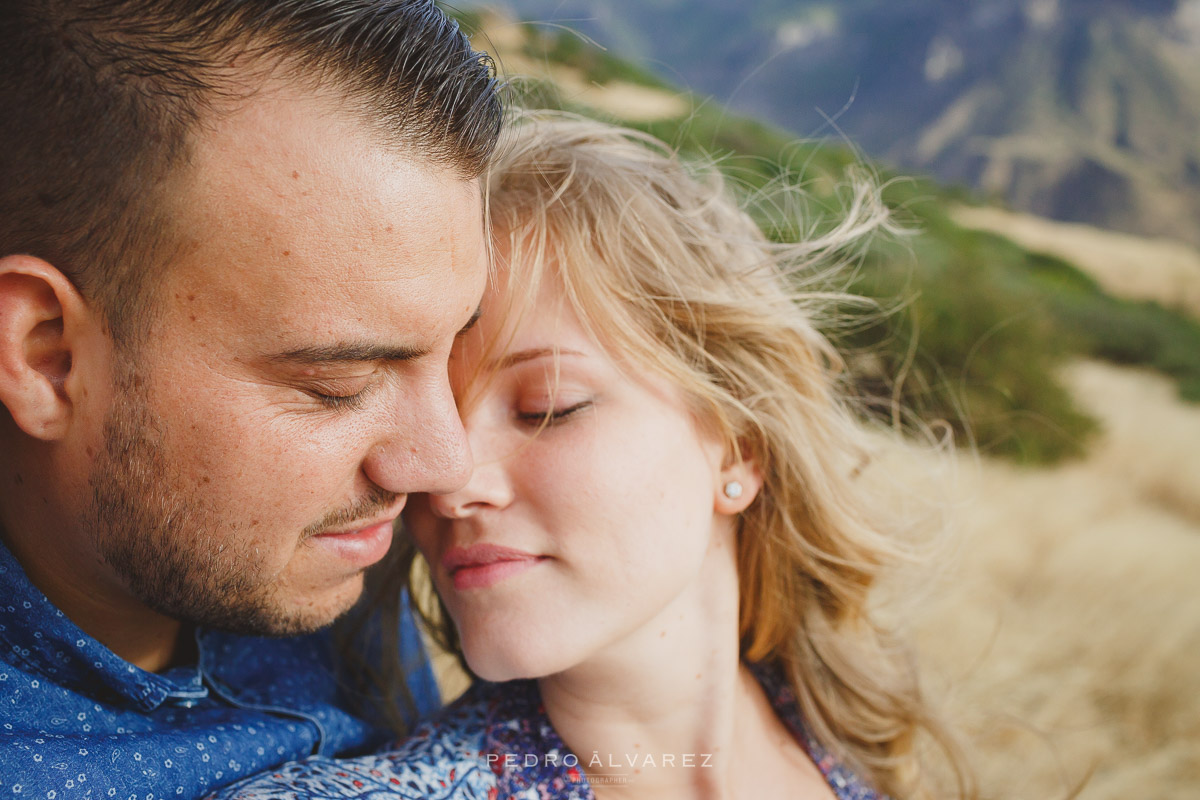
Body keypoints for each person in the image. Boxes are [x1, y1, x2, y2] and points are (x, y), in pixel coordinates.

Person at [213, 114, 974, 799]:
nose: (448, 482)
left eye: (548, 407)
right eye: (429, 422)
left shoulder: (855, 748)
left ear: (738, 445)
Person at [0, 1, 502, 796]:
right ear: (47, 357)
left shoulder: (313, 551)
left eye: (456, 349)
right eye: (339, 384)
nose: (442, 463)